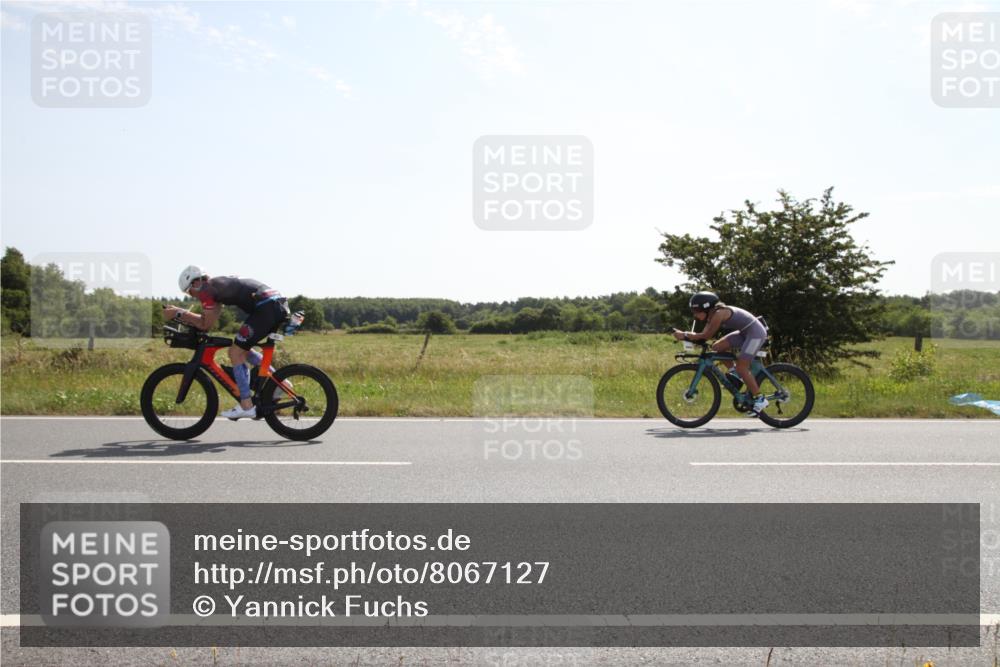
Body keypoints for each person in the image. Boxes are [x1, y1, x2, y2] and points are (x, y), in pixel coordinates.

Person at [163, 266, 288, 420]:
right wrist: (182, 313)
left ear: (195, 283)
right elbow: (207, 322)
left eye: (189, 292)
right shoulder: (214, 287)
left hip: (266, 308)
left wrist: (178, 313)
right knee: (242, 350)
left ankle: (246, 405)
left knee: (234, 352)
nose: (193, 296)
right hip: (273, 305)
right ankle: (282, 383)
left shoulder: (206, 290)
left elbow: (205, 324)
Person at [672, 291, 769, 416]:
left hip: (756, 333)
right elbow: (702, 338)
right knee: (717, 347)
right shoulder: (711, 316)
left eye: (696, 312)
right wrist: (686, 337)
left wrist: (684, 334)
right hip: (745, 333)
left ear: (706, 308)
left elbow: (706, 335)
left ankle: (760, 399)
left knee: (742, 366)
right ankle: (736, 375)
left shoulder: (719, 314)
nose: (695, 315)